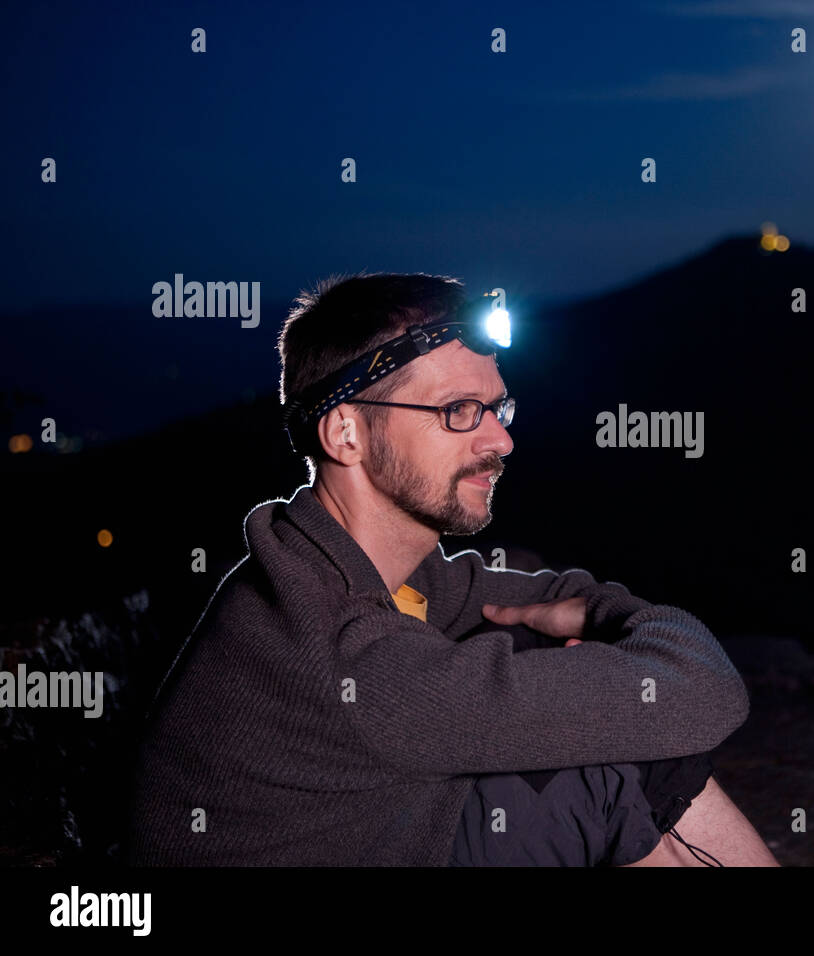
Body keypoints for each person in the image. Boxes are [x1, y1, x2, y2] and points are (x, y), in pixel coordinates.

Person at [127, 271, 778, 866]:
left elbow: (541, 597)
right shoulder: (344, 651)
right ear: (345, 434)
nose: (500, 440)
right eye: (458, 412)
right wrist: (613, 635)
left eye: (497, 408)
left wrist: (589, 613)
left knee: (594, 721)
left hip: (379, 837)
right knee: (606, 771)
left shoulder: (364, 571)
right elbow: (705, 689)